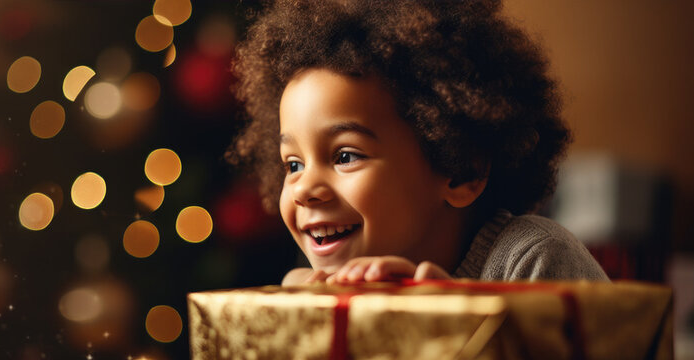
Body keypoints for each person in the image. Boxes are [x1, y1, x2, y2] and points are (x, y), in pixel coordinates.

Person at [224, 0, 608, 285]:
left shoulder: (535, 261)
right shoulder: (319, 289)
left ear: (461, 169)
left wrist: (441, 325)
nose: (304, 188)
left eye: (344, 155)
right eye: (293, 164)